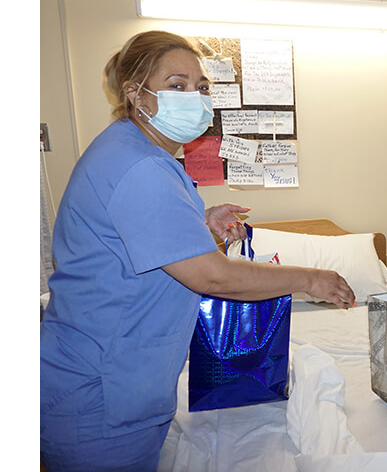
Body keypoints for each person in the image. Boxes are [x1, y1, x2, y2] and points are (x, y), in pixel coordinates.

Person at [40, 30, 355, 471]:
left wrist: (200, 224)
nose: (194, 96)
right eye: (176, 85)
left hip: (114, 379)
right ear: (136, 94)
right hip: (100, 393)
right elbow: (214, 276)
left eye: (201, 86)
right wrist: (309, 278)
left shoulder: (132, 152)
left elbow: (145, 244)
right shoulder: (143, 167)